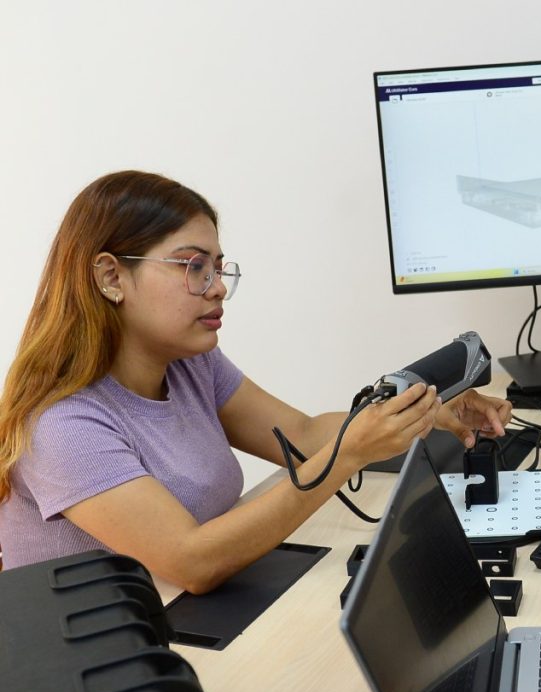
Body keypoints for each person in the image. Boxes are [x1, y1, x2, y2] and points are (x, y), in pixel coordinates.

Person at [0, 170, 511, 593]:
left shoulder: (189, 364)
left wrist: (425, 412)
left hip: (176, 621)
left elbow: (305, 433)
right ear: (111, 277)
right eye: (193, 266)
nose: (218, 287)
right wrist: (350, 455)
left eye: (219, 268)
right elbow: (191, 562)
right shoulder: (61, 425)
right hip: (96, 666)